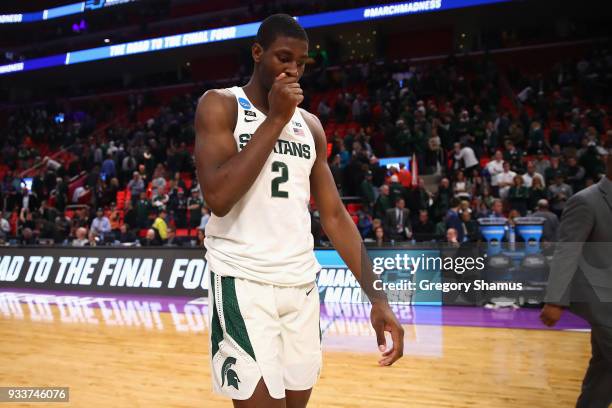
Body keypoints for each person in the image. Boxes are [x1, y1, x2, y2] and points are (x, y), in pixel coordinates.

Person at [194, 14, 403, 407]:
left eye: (301, 62)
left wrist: (378, 298)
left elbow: (336, 216)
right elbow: (217, 198)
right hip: (243, 280)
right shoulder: (220, 105)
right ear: (257, 53)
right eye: (282, 57)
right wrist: (275, 118)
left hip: (301, 285)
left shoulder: (311, 126)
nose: (292, 70)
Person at [541, 151, 612, 408]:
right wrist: (555, 300)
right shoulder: (586, 201)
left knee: (604, 371)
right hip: (600, 302)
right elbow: (567, 252)